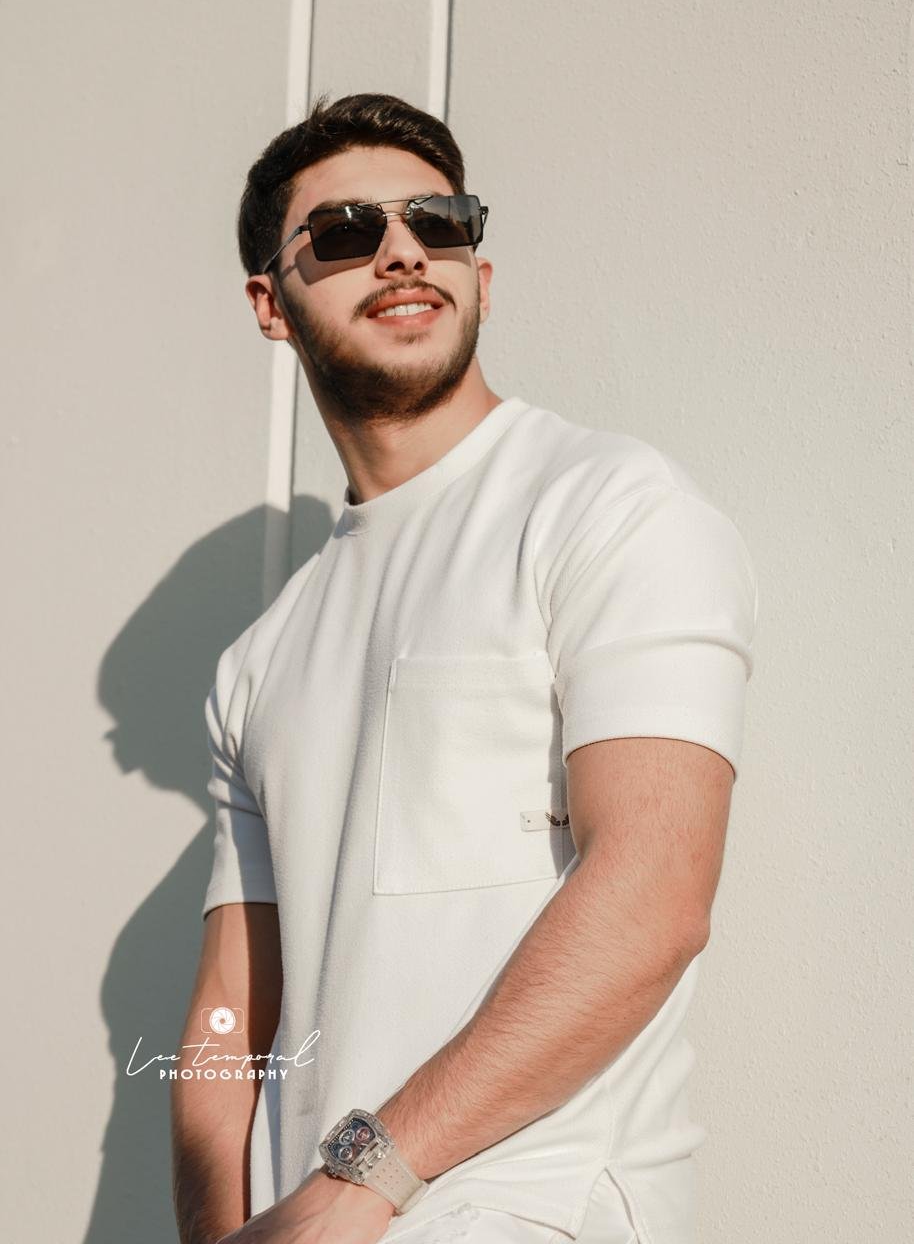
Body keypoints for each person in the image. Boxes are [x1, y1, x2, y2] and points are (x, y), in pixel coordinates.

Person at [170, 92, 758, 1244]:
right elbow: (230, 1011)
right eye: (344, 231)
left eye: (437, 222)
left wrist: (359, 1181)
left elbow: (652, 894)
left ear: (478, 272)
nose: (401, 250)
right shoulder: (259, 658)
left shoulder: (607, 507)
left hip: (532, 1209)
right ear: (269, 303)